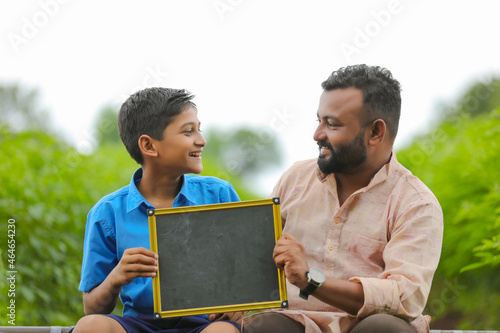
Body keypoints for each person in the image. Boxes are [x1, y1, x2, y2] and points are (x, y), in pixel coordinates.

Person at [243, 65, 443, 333]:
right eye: (319, 121)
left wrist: (311, 281)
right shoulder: (295, 180)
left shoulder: (416, 204)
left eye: (332, 124)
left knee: (385, 328)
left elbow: (404, 296)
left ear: (376, 133)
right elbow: (252, 257)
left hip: (366, 327)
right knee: (267, 326)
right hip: (294, 323)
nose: (317, 135)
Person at [72, 87, 242, 333]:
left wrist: (238, 304)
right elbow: (92, 307)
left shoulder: (219, 196)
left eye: (199, 129)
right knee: (91, 326)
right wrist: (116, 277)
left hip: (205, 324)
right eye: (188, 131)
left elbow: (250, 266)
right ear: (149, 146)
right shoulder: (107, 213)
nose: (201, 140)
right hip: (139, 324)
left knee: (223, 332)